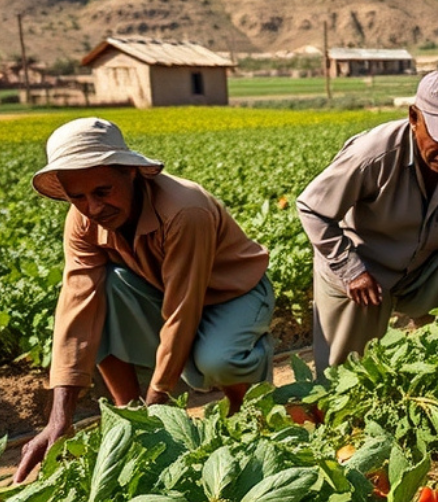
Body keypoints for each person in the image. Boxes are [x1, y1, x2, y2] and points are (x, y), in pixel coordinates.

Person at [14, 117, 274, 481]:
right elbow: (76, 306)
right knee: (102, 289)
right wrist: (60, 418)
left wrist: (158, 402)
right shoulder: (83, 219)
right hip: (163, 290)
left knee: (217, 360)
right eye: (78, 196)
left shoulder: (185, 210)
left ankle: (245, 412)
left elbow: (183, 308)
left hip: (232, 292)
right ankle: (127, 412)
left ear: (132, 174)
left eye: (103, 191)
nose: (92, 207)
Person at [298, 68, 438, 376]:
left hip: (423, 270)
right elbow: (312, 208)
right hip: (364, 271)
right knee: (343, 378)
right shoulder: (372, 154)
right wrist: (350, 269)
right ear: (414, 117)